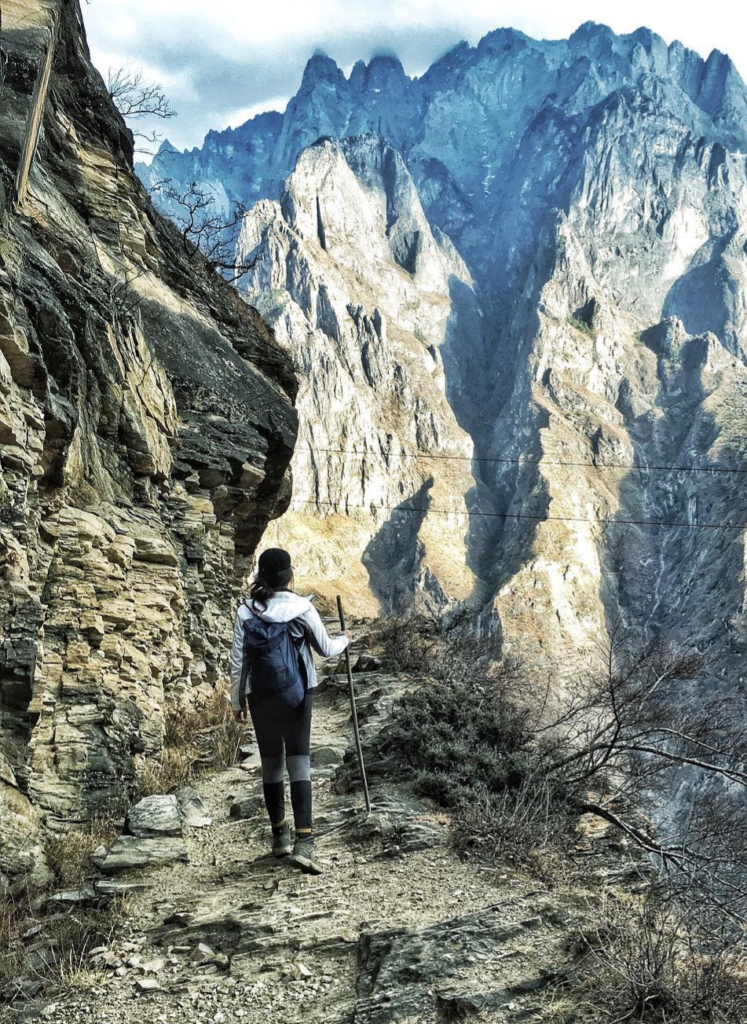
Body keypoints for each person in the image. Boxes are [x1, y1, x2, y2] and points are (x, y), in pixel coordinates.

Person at [230, 548, 350, 874]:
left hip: (260, 696)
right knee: (299, 762)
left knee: (271, 764)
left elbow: (239, 663)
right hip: (299, 693)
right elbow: (325, 648)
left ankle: (279, 837)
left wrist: (237, 701)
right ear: (288, 574)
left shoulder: (246, 612)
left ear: (261, 574)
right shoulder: (302, 607)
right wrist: (344, 640)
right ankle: (305, 843)